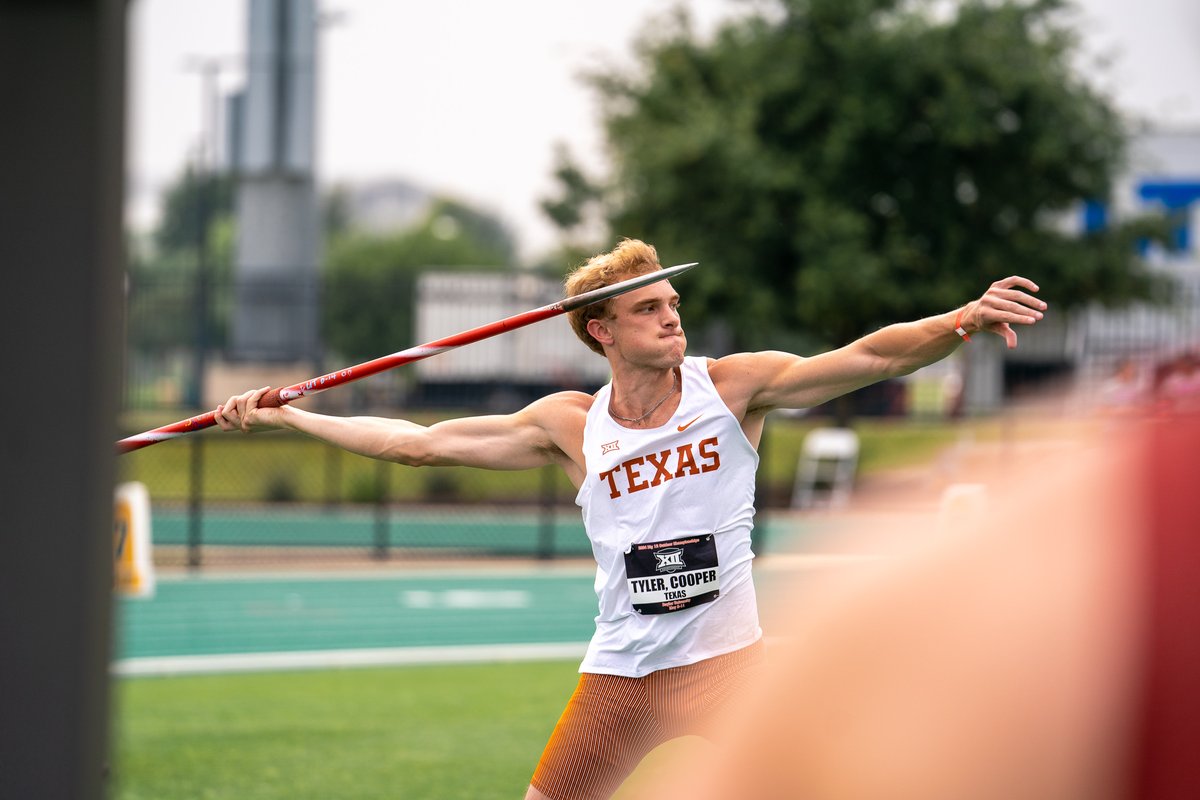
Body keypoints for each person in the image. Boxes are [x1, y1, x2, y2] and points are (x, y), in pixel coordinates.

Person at [215, 239, 1047, 800]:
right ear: (601, 330)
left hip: (730, 669)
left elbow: (869, 357)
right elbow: (416, 443)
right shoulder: (571, 425)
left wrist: (961, 319)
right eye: (649, 309)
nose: (672, 316)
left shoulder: (734, 388)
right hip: (620, 678)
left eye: (673, 302)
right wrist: (294, 417)